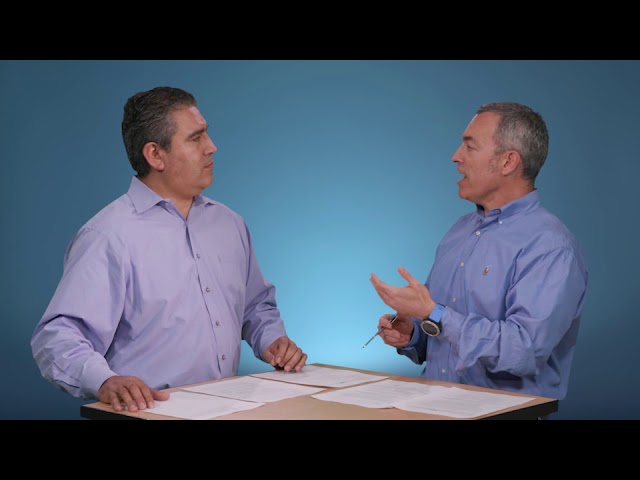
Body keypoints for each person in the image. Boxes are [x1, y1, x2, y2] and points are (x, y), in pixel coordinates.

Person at [31, 86, 307, 413]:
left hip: (227, 410)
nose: (212, 147)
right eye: (196, 138)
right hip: (148, 413)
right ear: (155, 155)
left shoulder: (230, 224)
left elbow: (255, 306)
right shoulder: (108, 236)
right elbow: (58, 338)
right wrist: (104, 381)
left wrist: (272, 340)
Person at [370, 102, 588, 402]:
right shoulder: (458, 232)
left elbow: (523, 351)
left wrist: (434, 313)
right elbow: (443, 333)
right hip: (432, 406)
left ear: (508, 162)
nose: (455, 156)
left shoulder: (550, 247)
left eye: (470, 147)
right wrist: (413, 334)